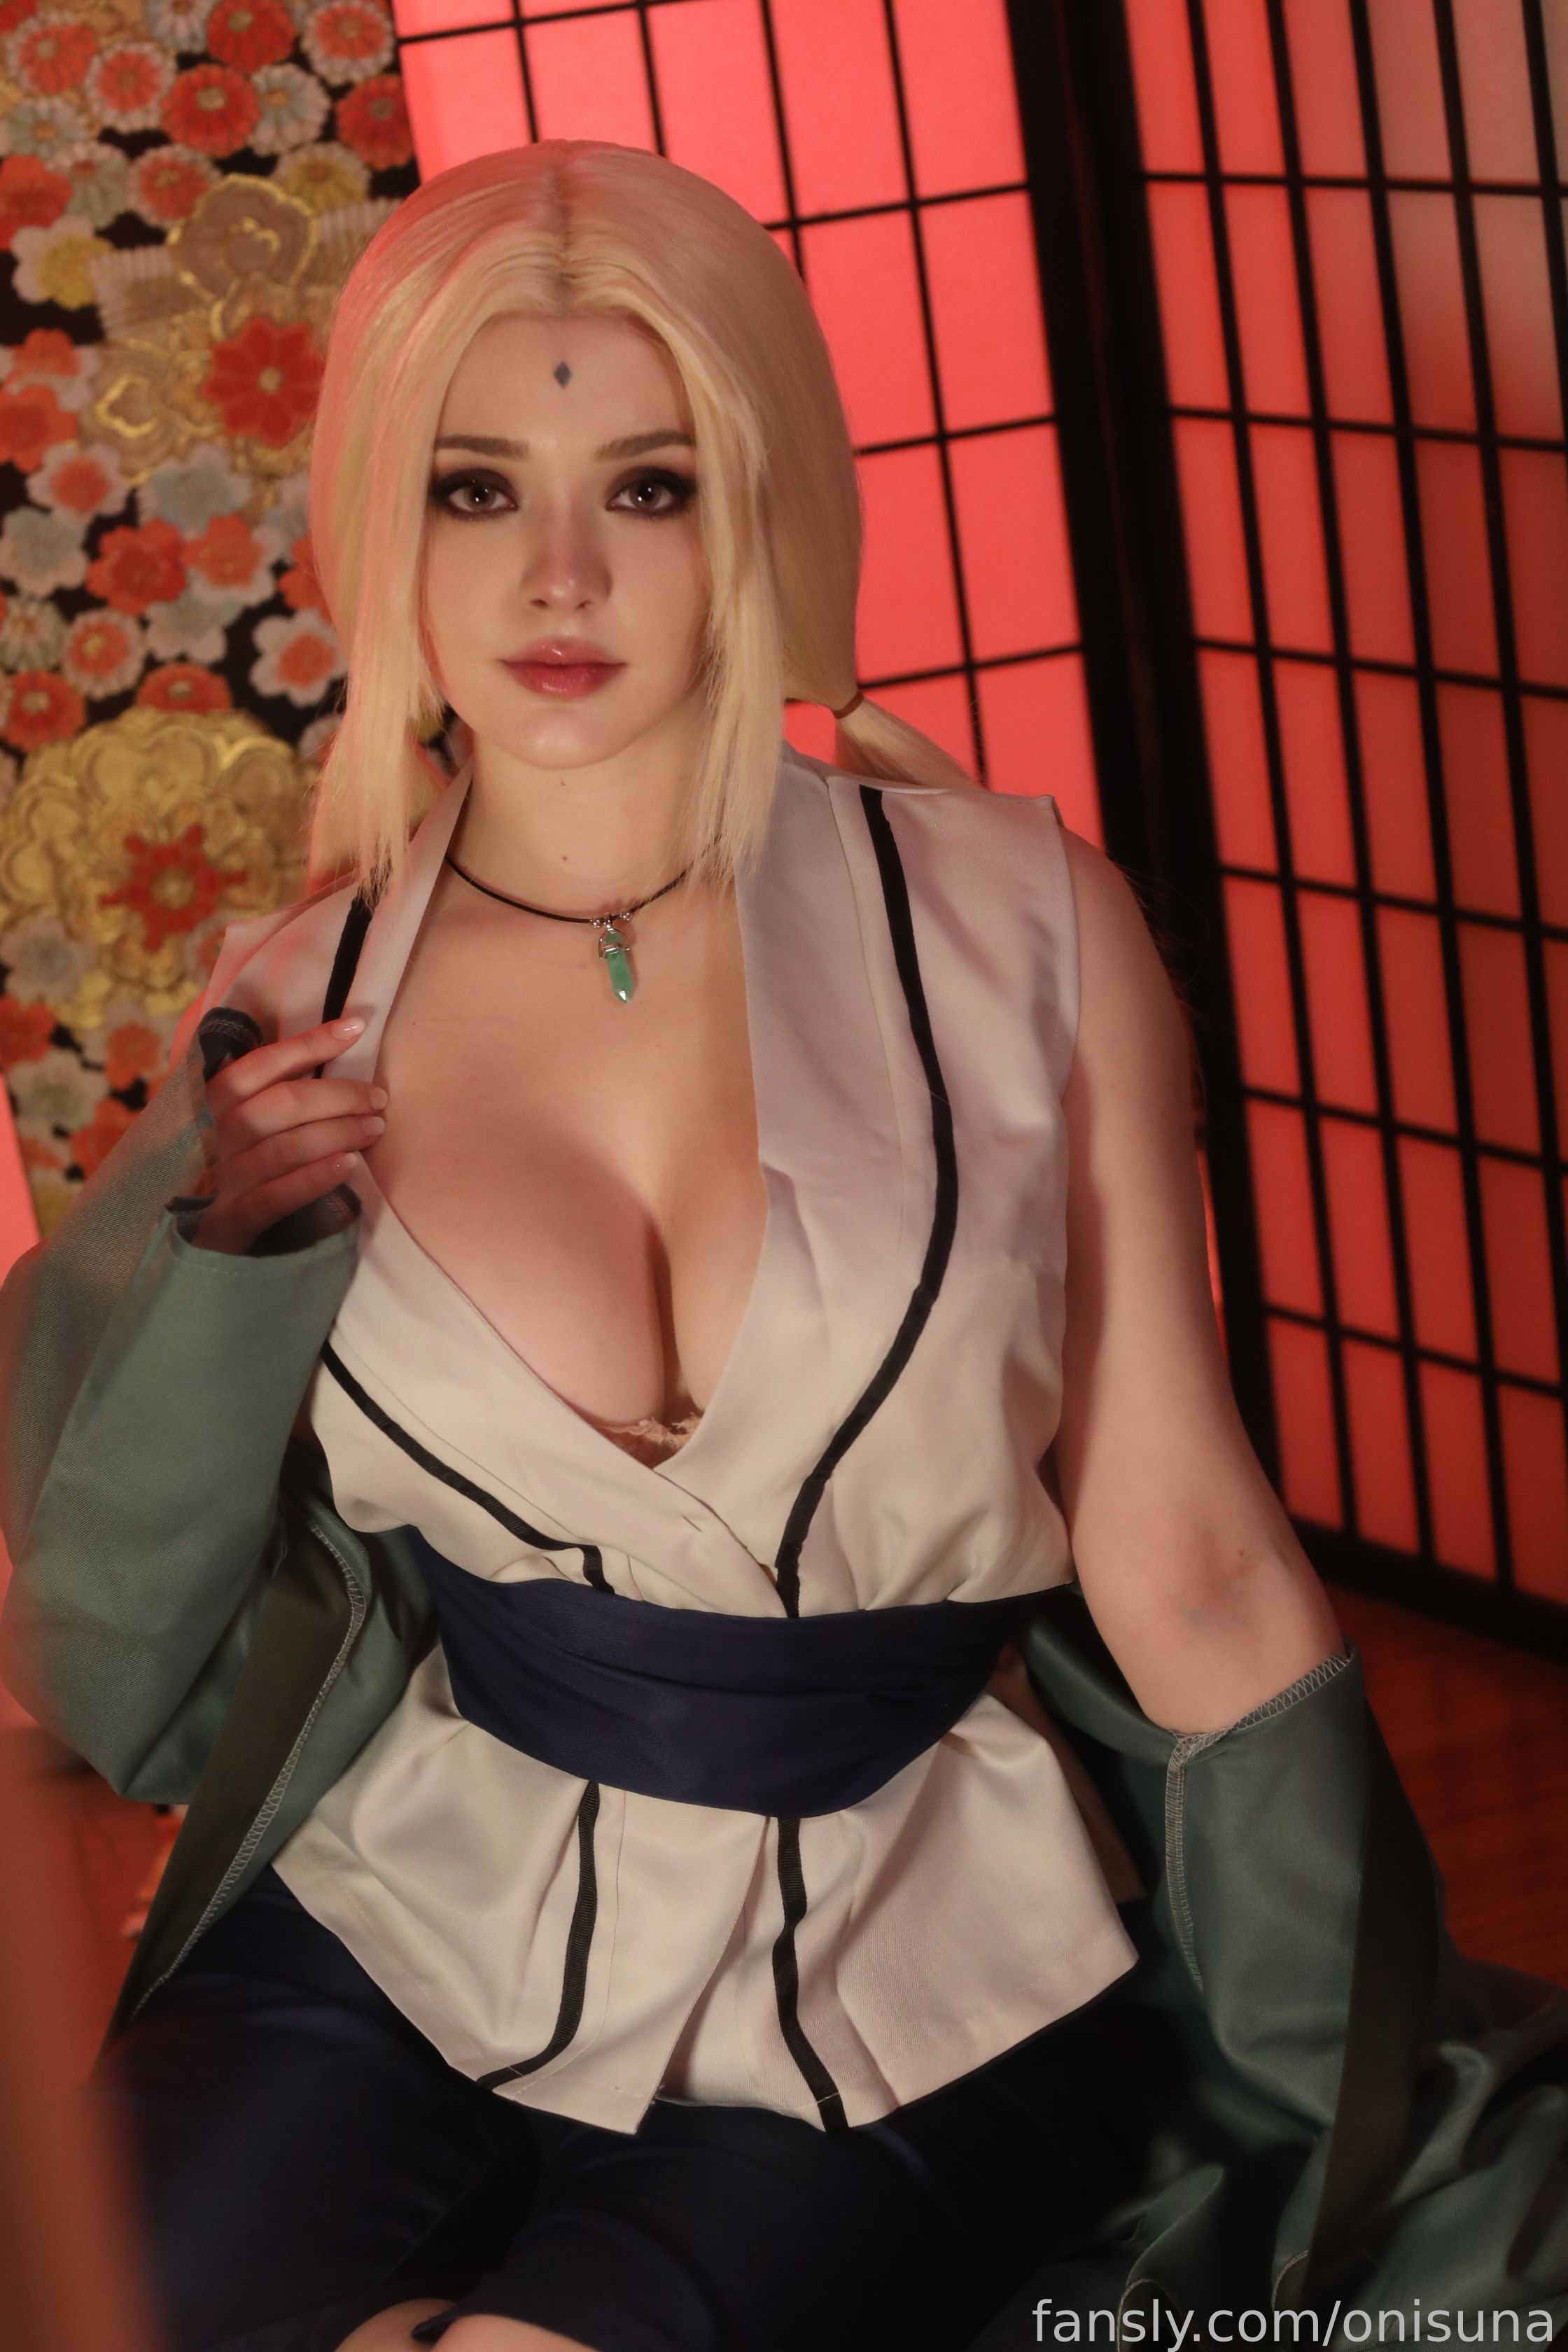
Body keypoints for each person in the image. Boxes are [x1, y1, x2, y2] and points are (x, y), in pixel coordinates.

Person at [3, 142, 1565, 2352]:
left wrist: (1351, 2074)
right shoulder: (294, 1004)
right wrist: (221, 1276)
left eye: (644, 487)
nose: (560, 573)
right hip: (409, 1907)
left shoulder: (1025, 929)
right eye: (475, 488)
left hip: (906, 1948)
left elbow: (1193, 1556)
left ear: (757, 513)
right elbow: (120, 1645)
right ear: (379, 521)